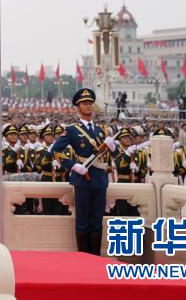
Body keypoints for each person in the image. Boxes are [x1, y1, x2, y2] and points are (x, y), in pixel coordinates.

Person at [50, 88, 118, 256]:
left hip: (100, 179)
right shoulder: (72, 130)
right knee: (82, 222)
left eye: (90, 103)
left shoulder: (102, 130)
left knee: (97, 221)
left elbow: (116, 155)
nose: (88, 106)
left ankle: (95, 257)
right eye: (84, 103)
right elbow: (55, 151)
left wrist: (112, 147)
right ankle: (84, 257)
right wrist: (73, 166)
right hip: (82, 179)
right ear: (78, 107)